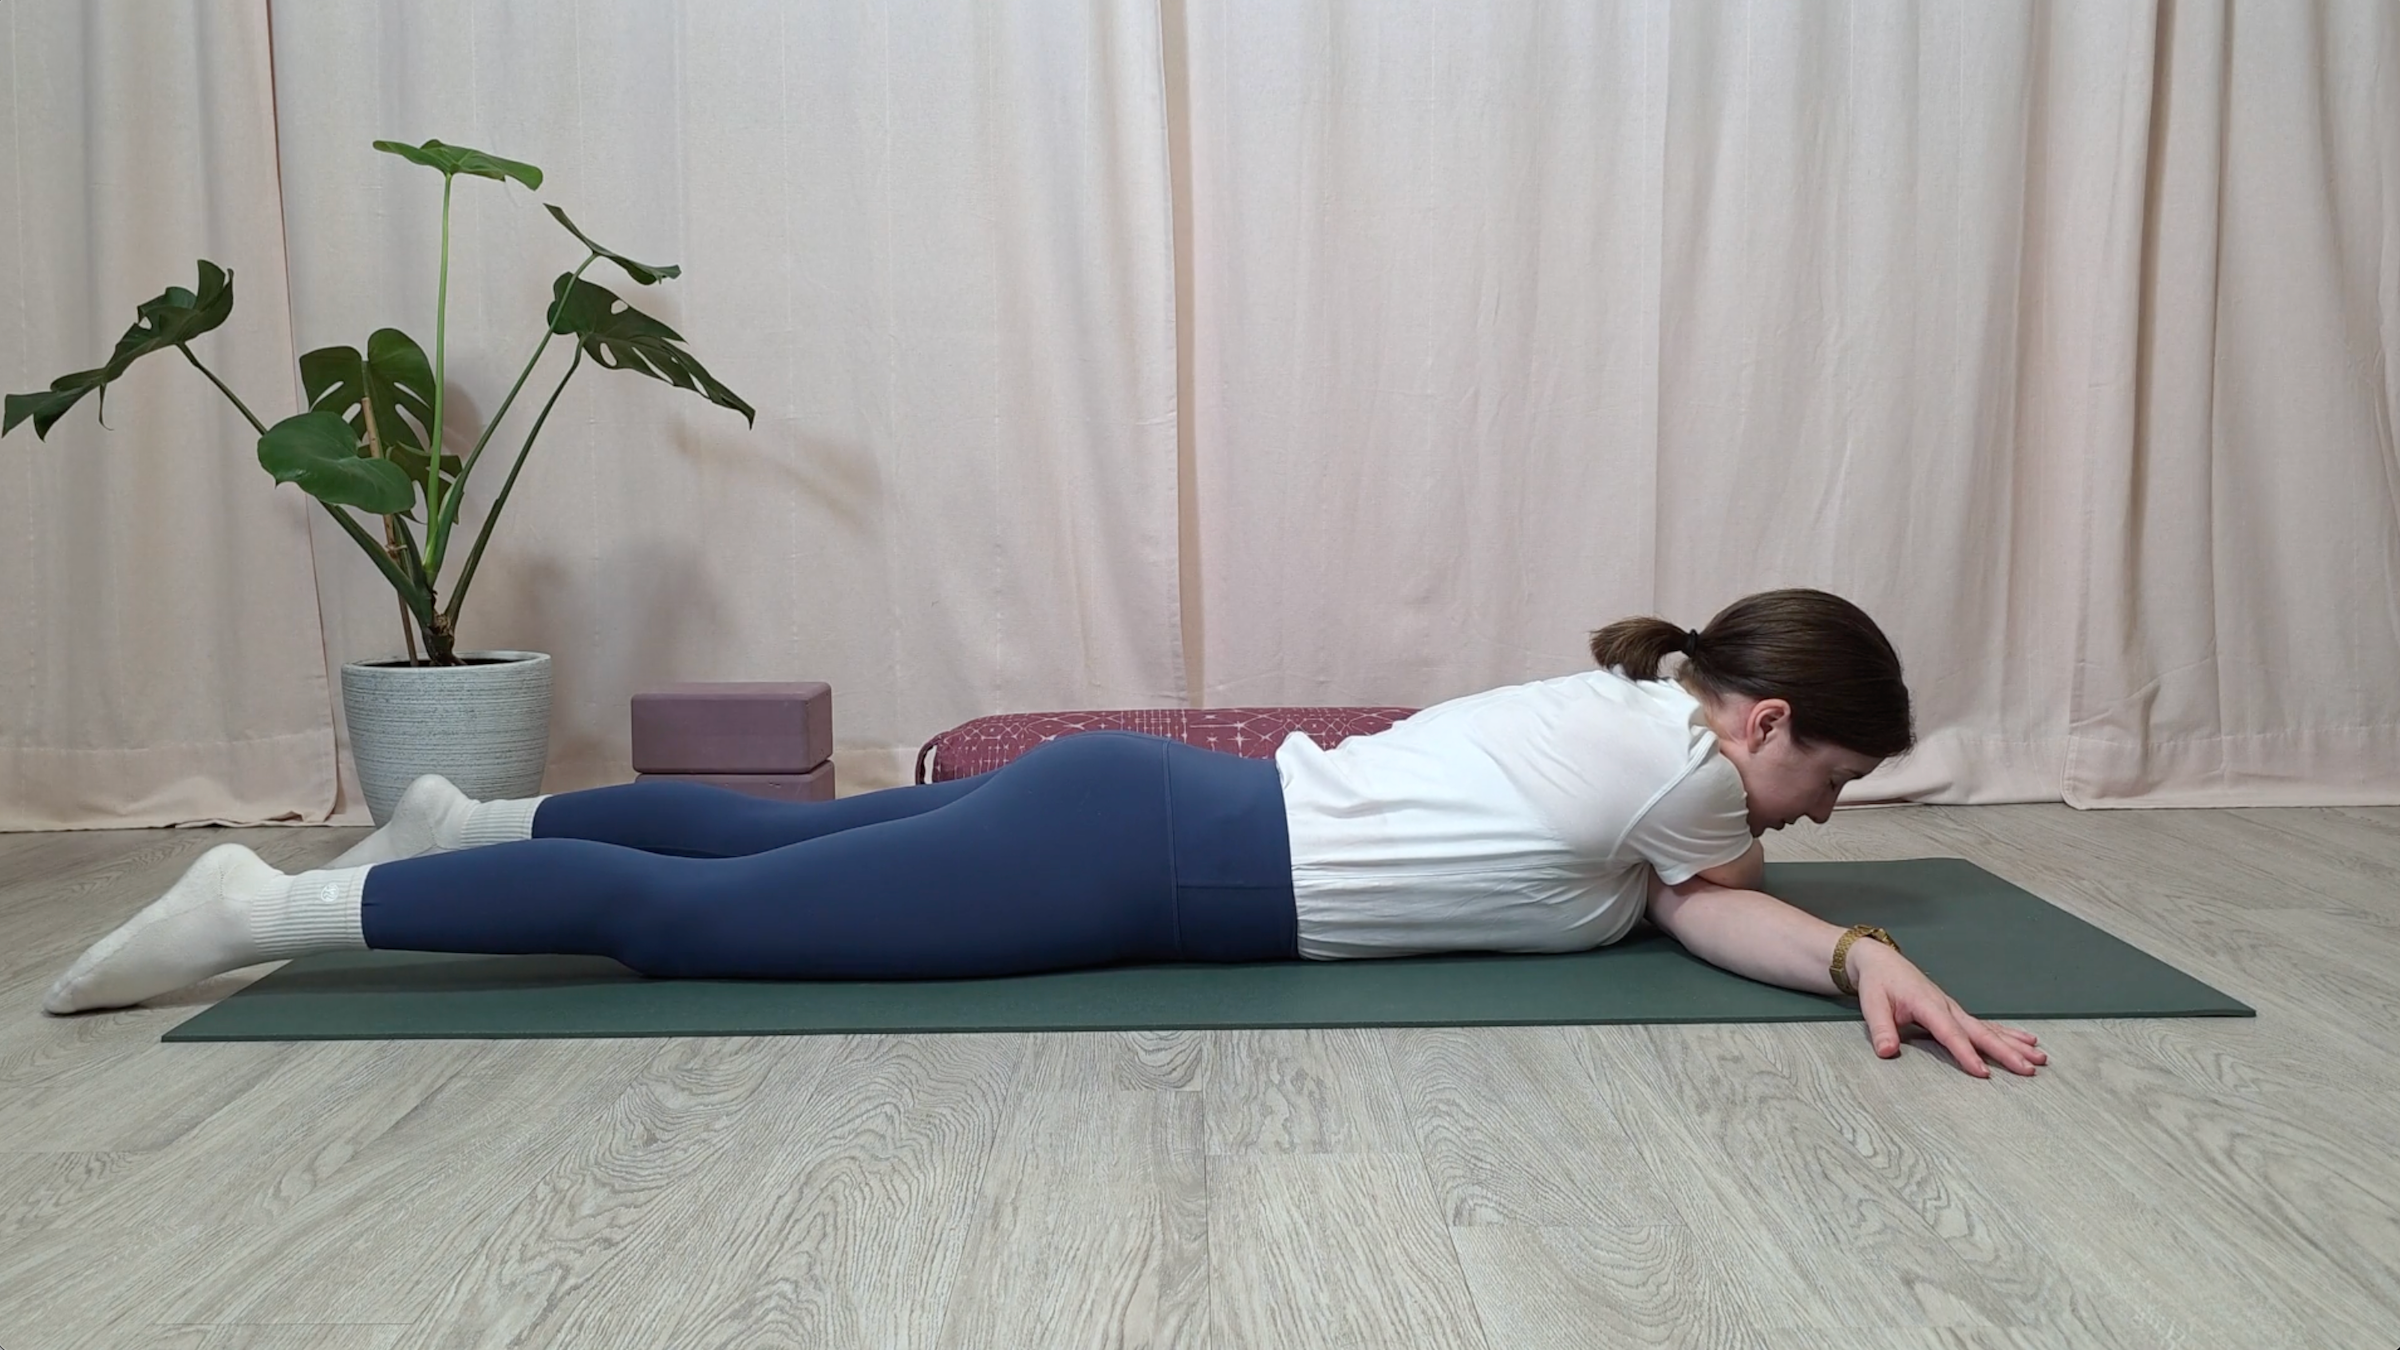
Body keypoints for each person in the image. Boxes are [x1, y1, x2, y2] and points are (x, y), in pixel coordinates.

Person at [43, 587, 2044, 1080]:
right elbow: (1722, 904)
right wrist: (1855, 954)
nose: (1813, 820)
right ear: (1765, 726)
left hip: (1151, 822)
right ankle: (281, 900)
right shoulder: (1686, 781)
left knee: (771, 853)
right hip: (1147, 864)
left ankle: (474, 805)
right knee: (702, 930)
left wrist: (1860, 957)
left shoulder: (1633, 711)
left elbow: (1710, 914)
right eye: (1828, 783)